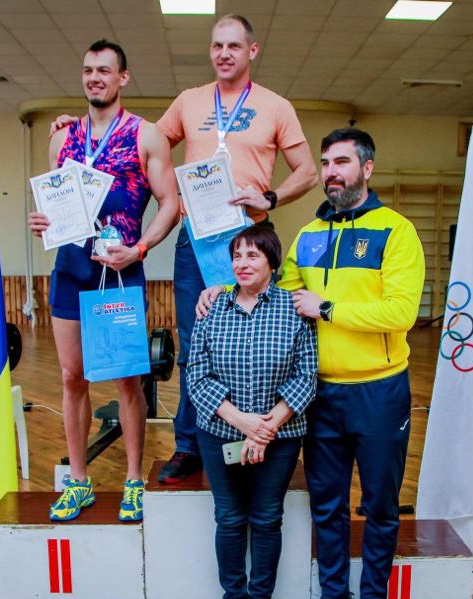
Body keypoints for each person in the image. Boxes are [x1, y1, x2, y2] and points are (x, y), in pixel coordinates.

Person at [54, 15, 319, 483]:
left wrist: (272, 196)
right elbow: (135, 144)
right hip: (196, 239)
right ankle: (190, 444)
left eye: (233, 46)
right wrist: (76, 128)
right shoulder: (189, 101)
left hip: (248, 237)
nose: (224, 54)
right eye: (217, 45)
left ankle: (255, 437)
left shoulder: (276, 106)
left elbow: (308, 172)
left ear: (252, 51)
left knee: (255, 342)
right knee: (195, 345)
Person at [198, 128, 425, 599]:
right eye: (325, 163)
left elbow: (401, 313)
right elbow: (275, 288)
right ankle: (334, 596)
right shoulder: (308, 235)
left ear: (367, 168)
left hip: (379, 389)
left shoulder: (397, 231)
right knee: (327, 502)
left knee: (380, 503)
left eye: (341, 162)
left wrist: (328, 308)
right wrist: (223, 289)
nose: (330, 172)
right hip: (322, 394)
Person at [28, 39, 180, 522]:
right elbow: (57, 206)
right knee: (71, 377)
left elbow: (171, 204)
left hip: (119, 271)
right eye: (88, 70)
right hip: (71, 270)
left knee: (127, 380)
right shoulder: (61, 138)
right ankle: (79, 481)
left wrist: (140, 248)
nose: (94, 78)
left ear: (122, 78)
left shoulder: (146, 135)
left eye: (104, 70)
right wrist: (43, 222)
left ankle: (133, 481)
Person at [187, 224, 317, 599]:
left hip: (280, 436)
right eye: (237, 256)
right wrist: (242, 422)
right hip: (219, 432)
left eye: (253, 255)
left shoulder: (294, 310)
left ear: (272, 262)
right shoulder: (212, 308)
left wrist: (266, 427)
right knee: (228, 518)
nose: (242, 263)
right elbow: (196, 375)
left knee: (266, 518)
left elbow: (306, 376)